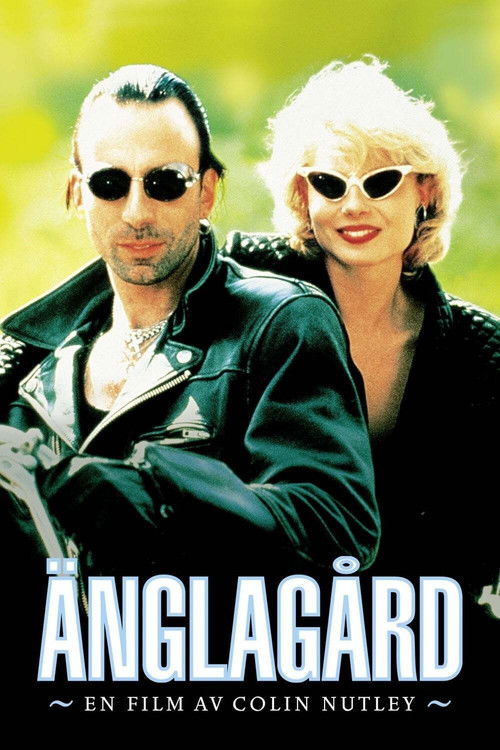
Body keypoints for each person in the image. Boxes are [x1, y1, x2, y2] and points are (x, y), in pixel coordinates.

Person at [0, 64, 379, 582]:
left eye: (166, 182)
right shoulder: (22, 361)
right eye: (109, 184)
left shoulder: (282, 323)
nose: (137, 212)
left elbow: (337, 525)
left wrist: (162, 491)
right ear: (77, 193)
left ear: (207, 192)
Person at [223, 59, 499, 631]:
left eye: (380, 181)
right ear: (303, 195)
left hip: (420, 642)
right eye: (330, 183)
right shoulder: (241, 293)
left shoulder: (480, 351)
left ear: (424, 190)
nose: (354, 206)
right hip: (261, 632)